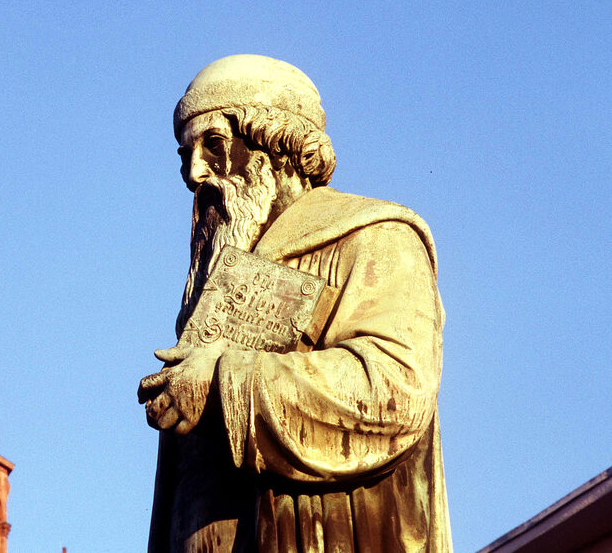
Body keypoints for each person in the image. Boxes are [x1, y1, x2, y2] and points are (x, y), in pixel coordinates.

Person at [138, 55, 451, 552]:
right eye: (184, 155)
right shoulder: (212, 286)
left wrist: (224, 382)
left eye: (213, 145)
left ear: (276, 145)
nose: (194, 174)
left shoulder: (375, 239)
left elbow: (394, 389)